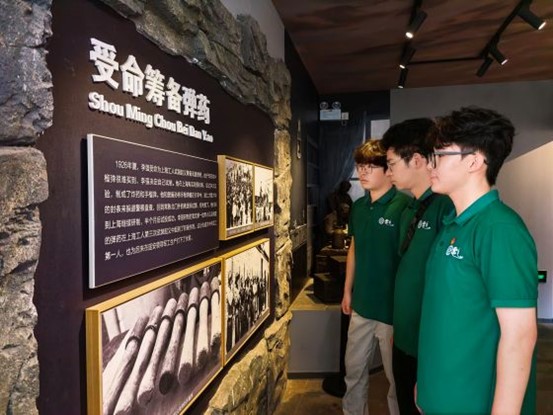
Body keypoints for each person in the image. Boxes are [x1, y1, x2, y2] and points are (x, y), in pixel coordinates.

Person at [417, 107, 538, 414]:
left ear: (473, 161)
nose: (430, 165)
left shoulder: (500, 229)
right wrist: (427, 383)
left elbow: (520, 337)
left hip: (473, 403)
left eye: (439, 155)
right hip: (441, 394)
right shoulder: (452, 223)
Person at [380, 118, 454, 414]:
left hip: (429, 345)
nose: (388, 172)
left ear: (418, 160)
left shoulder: (445, 207)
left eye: (392, 164)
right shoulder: (409, 208)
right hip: (405, 337)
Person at [341, 139, 410, 415]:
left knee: (397, 380)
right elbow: (354, 248)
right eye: (360, 165)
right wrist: (347, 291)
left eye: (371, 166)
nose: (363, 172)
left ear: (387, 170)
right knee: (353, 372)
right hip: (362, 306)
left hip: (392, 312)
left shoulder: (405, 206)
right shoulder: (358, 207)